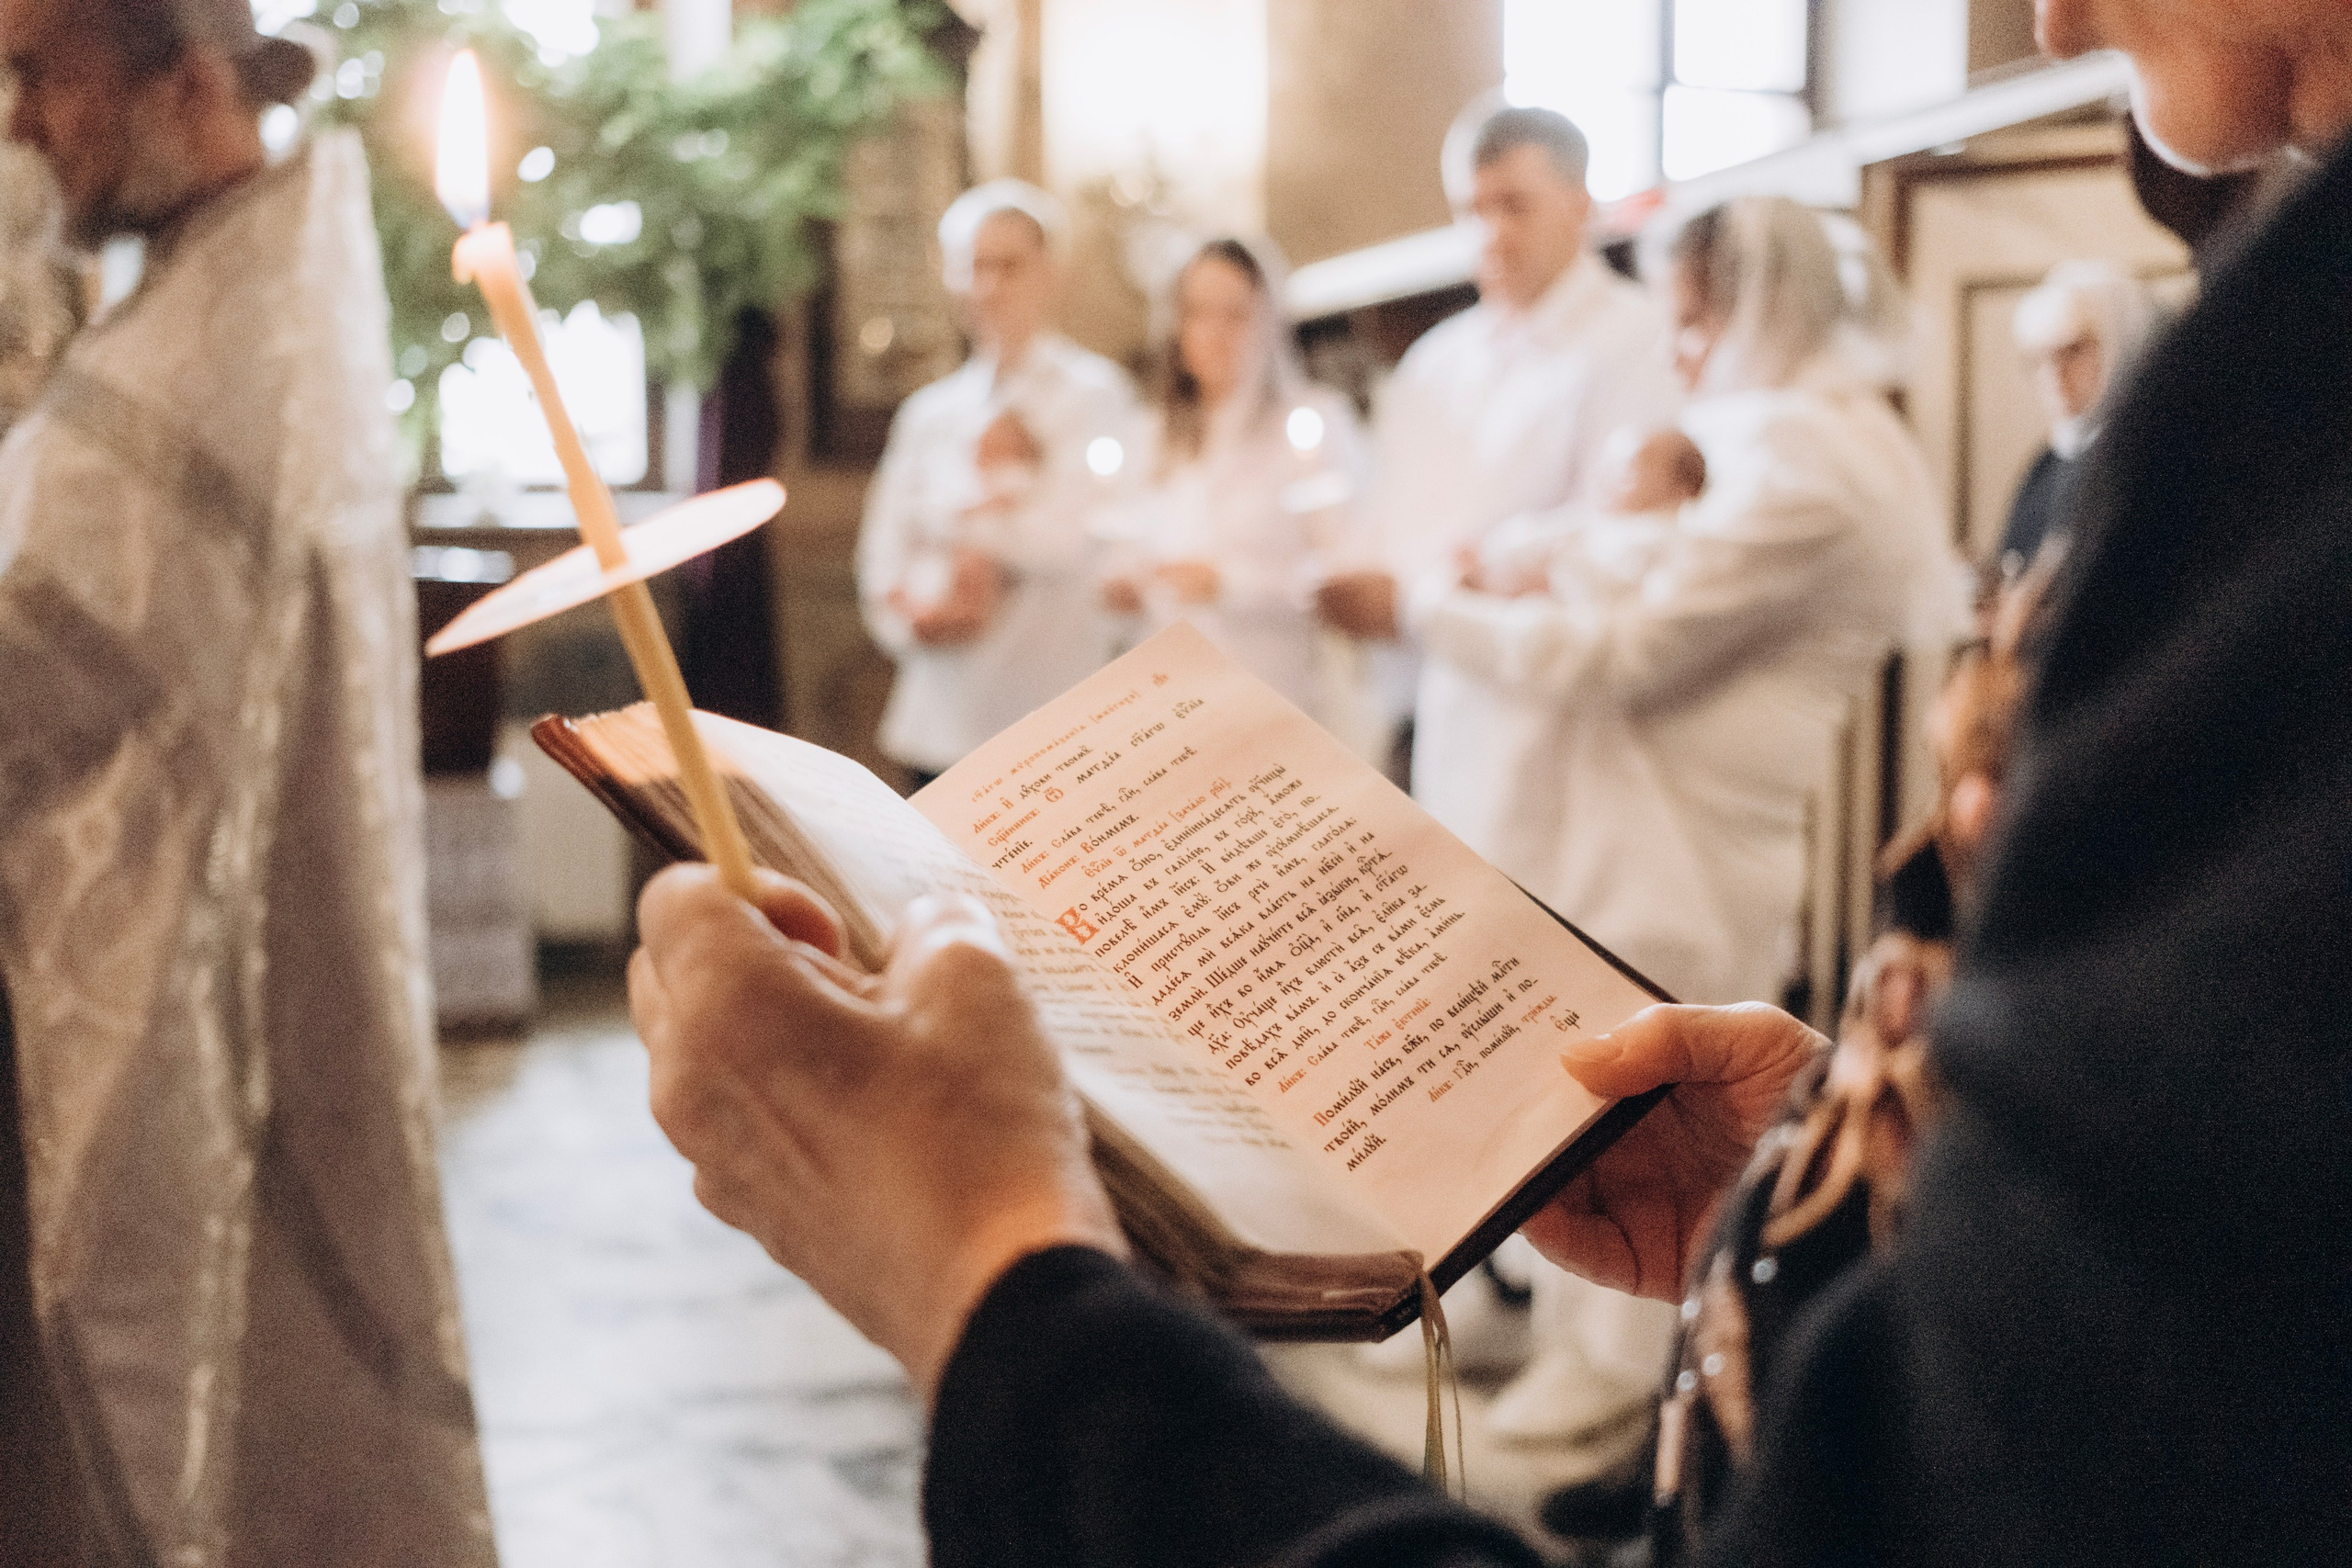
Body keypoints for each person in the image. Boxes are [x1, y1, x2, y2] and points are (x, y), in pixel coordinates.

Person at [630, 0, 2352, 1561]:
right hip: (1458, 731)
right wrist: (1827, 1198)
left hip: (1619, 766)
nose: (2047, 16)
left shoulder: (2293, 413)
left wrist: (987, 1270)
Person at [0, 3, 495, 1562]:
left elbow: (41, 667)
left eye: (41, 77)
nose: (18, 123)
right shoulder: (244, 296)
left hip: (186, 1015)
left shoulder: (213, 356)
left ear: (184, 83)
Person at [1313, 96, 1687, 1444]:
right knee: (1465, 1018)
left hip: (1578, 728)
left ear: (1580, 203)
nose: (1487, 229)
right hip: (1458, 717)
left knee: (1578, 1016)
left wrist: (1437, 579)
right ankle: (1482, 1284)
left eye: (1512, 202)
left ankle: (1608, 1340)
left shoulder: (1636, 341)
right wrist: (1367, 576)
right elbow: (1400, 525)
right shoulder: (1442, 360)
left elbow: (1624, 531)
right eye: (1469, 204)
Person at [858, 179, 1135, 789]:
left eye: (1008, 266)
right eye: (974, 268)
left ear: (1047, 272)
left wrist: (957, 519)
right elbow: (882, 553)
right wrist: (915, 619)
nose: (990, 287)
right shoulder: (929, 414)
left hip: (1048, 714)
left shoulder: (1094, 397)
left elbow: (1071, 539)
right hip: (940, 716)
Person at [1096, 235, 1369, 736]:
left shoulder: (1312, 423)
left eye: (1236, 314)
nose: (1215, 333)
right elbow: (1125, 546)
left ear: (1269, 318)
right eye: (1198, 313)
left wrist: (1230, 583)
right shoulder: (1152, 435)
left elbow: (1346, 574)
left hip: (1273, 694)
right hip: (1171, 704)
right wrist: (1123, 584)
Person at [1996, 260, 2159, 579]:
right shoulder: (2047, 462)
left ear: (2121, 342)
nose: (2054, 376)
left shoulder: (2146, 457)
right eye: (2040, 358)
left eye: (2072, 351)